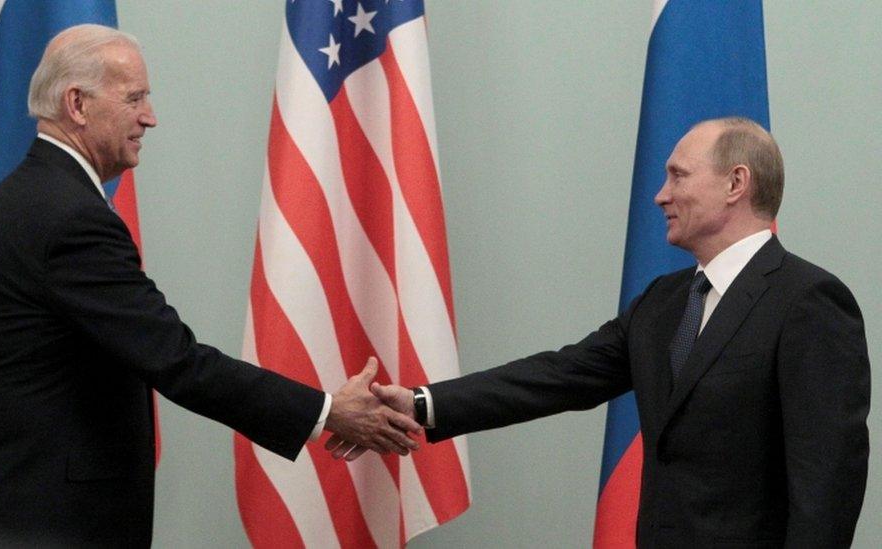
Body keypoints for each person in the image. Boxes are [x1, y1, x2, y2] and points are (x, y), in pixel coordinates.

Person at [0, 24, 419, 547]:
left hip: (25, 510)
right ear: (77, 104)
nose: (149, 117)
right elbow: (176, 359)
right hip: (56, 524)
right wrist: (326, 411)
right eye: (134, 98)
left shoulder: (23, 199)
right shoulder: (68, 218)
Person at [331, 117, 871, 547]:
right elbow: (558, 375)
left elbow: (826, 483)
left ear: (736, 183)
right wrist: (422, 404)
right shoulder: (664, 302)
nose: (660, 195)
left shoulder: (807, 301)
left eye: (678, 176)